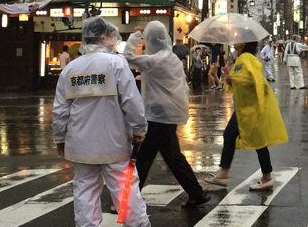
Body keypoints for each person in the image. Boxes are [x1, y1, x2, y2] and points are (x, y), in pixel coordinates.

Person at [52, 17, 157, 227]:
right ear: (102, 37)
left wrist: (60, 137)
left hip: (80, 144)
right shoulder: (116, 65)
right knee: (125, 189)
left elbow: (60, 110)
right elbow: (131, 101)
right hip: (114, 141)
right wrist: (139, 129)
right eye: (112, 36)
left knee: (85, 190)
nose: (115, 41)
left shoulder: (71, 69)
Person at [122, 22, 210, 208]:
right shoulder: (172, 59)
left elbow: (128, 57)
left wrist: (136, 35)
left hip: (156, 116)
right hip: (169, 115)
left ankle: (128, 201)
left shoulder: (153, 60)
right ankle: (196, 193)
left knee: (143, 157)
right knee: (172, 156)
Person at [205, 41, 288, 190]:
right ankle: (264, 176)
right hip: (246, 108)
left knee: (244, 138)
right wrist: (229, 77)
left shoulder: (246, 59)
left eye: (239, 39)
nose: (235, 41)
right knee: (252, 140)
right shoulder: (242, 59)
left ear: (244, 44)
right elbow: (241, 80)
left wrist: (231, 78)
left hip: (251, 109)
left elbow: (251, 79)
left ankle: (227, 174)